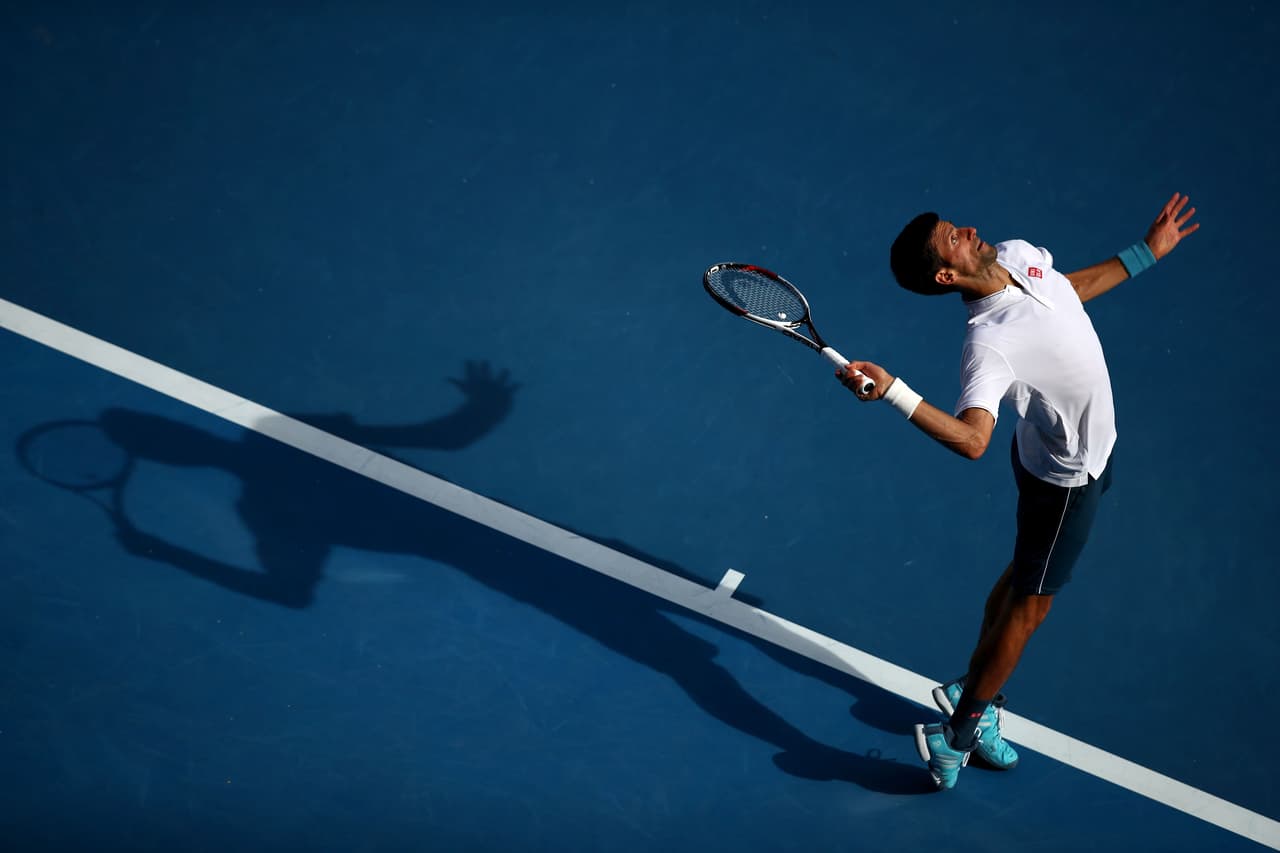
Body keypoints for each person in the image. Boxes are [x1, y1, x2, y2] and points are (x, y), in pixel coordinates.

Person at [837, 194, 1199, 790]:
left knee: (1026, 573)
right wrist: (895, 391)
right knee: (1033, 605)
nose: (971, 230)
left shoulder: (1017, 254)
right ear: (947, 275)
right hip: (1064, 479)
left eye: (958, 226)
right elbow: (974, 440)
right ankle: (960, 732)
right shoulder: (988, 343)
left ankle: (968, 689)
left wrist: (1145, 253)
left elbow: (1066, 292)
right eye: (956, 238)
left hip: (1070, 454)